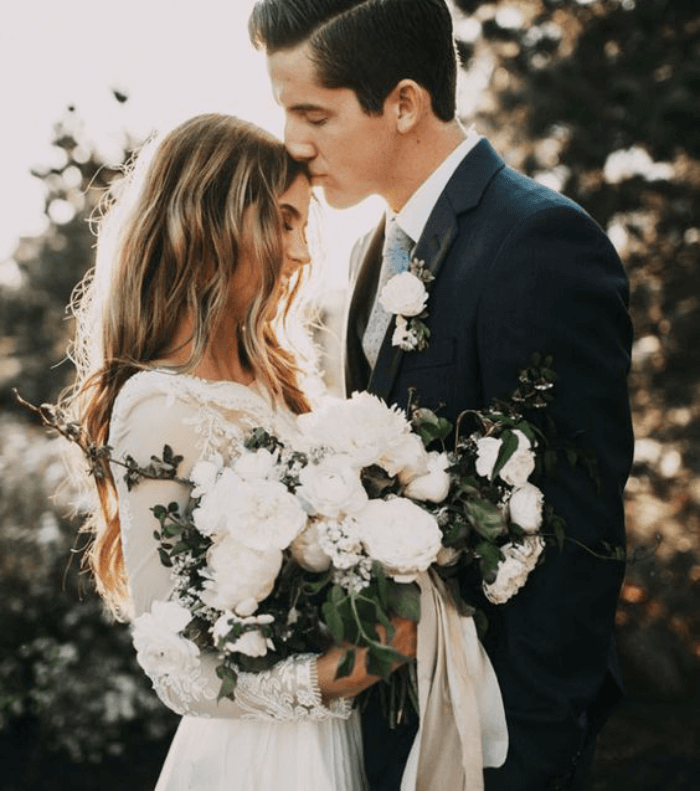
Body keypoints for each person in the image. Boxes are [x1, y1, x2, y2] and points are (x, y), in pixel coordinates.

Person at [249, 1, 634, 789]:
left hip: (501, 732)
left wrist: (531, 751)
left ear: (402, 103)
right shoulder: (366, 255)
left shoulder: (539, 242)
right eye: (283, 111)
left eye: (313, 113)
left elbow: (581, 530)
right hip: (393, 716)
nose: (293, 141)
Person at [64, 113, 421, 791]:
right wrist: (332, 675)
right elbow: (175, 667)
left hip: (336, 734)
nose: (301, 251)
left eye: (302, 225)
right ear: (211, 221)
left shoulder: (274, 374)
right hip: (258, 759)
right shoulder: (156, 407)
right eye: (284, 221)